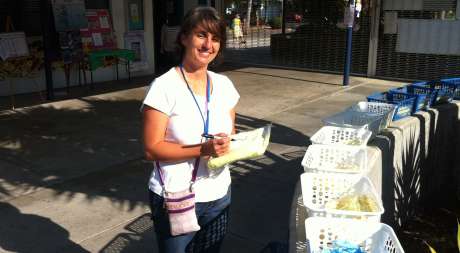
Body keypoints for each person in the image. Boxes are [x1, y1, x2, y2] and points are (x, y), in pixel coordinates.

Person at [142, 6, 239, 253]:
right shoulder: (164, 87)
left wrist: (232, 144)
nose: (209, 45)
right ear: (184, 38)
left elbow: (232, 132)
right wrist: (203, 149)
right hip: (177, 196)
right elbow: (152, 149)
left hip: (218, 194)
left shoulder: (225, 85)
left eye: (216, 39)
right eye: (201, 35)